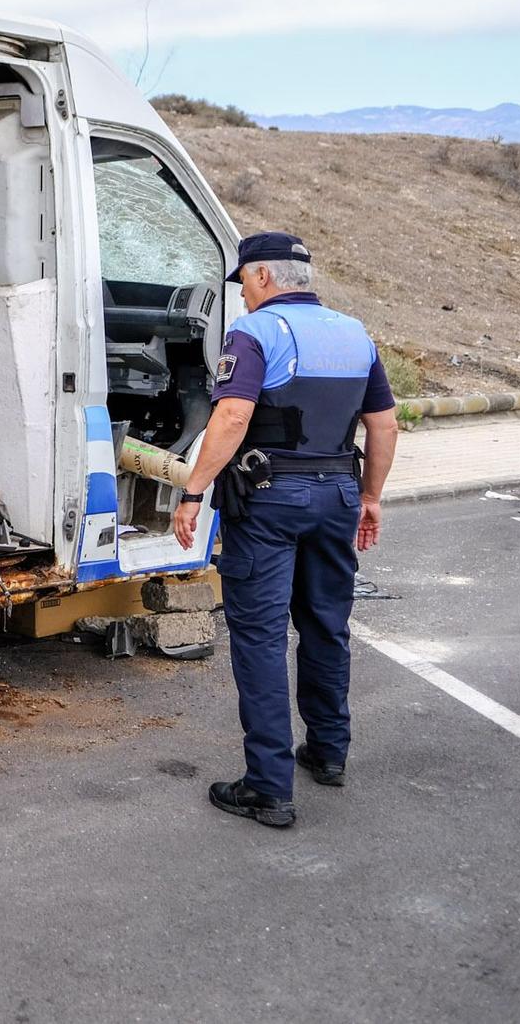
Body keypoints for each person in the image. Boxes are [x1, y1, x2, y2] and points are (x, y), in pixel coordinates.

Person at [172, 232, 399, 829]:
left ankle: (268, 788)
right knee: (327, 624)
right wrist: (370, 497)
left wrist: (193, 491)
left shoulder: (256, 334)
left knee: (262, 636)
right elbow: (385, 427)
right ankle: (328, 753)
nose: (243, 295)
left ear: (264, 278)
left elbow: (234, 414)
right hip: (338, 495)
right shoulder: (356, 334)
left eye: (244, 282)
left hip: (270, 500)